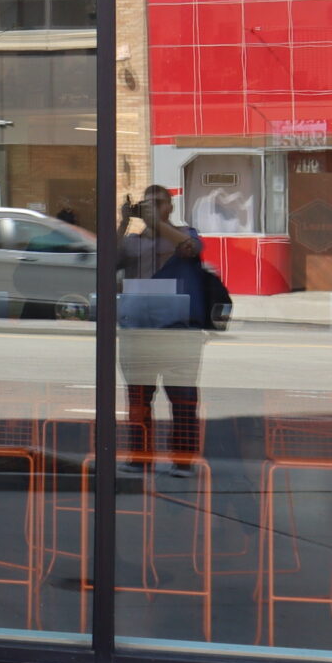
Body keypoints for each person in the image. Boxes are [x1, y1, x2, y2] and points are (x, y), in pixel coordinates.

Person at [118, 185, 215, 461]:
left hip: (178, 333)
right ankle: (139, 456)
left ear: (169, 207)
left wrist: (158, 224)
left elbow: (190, 250)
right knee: (138, 402)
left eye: (158, 203)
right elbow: (109, 262)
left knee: (183, 401)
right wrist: (124, 222)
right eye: (146, 204)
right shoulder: (133, 242)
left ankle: (183, 460)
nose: (151, 207)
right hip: (137, 333)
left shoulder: (184, 234)